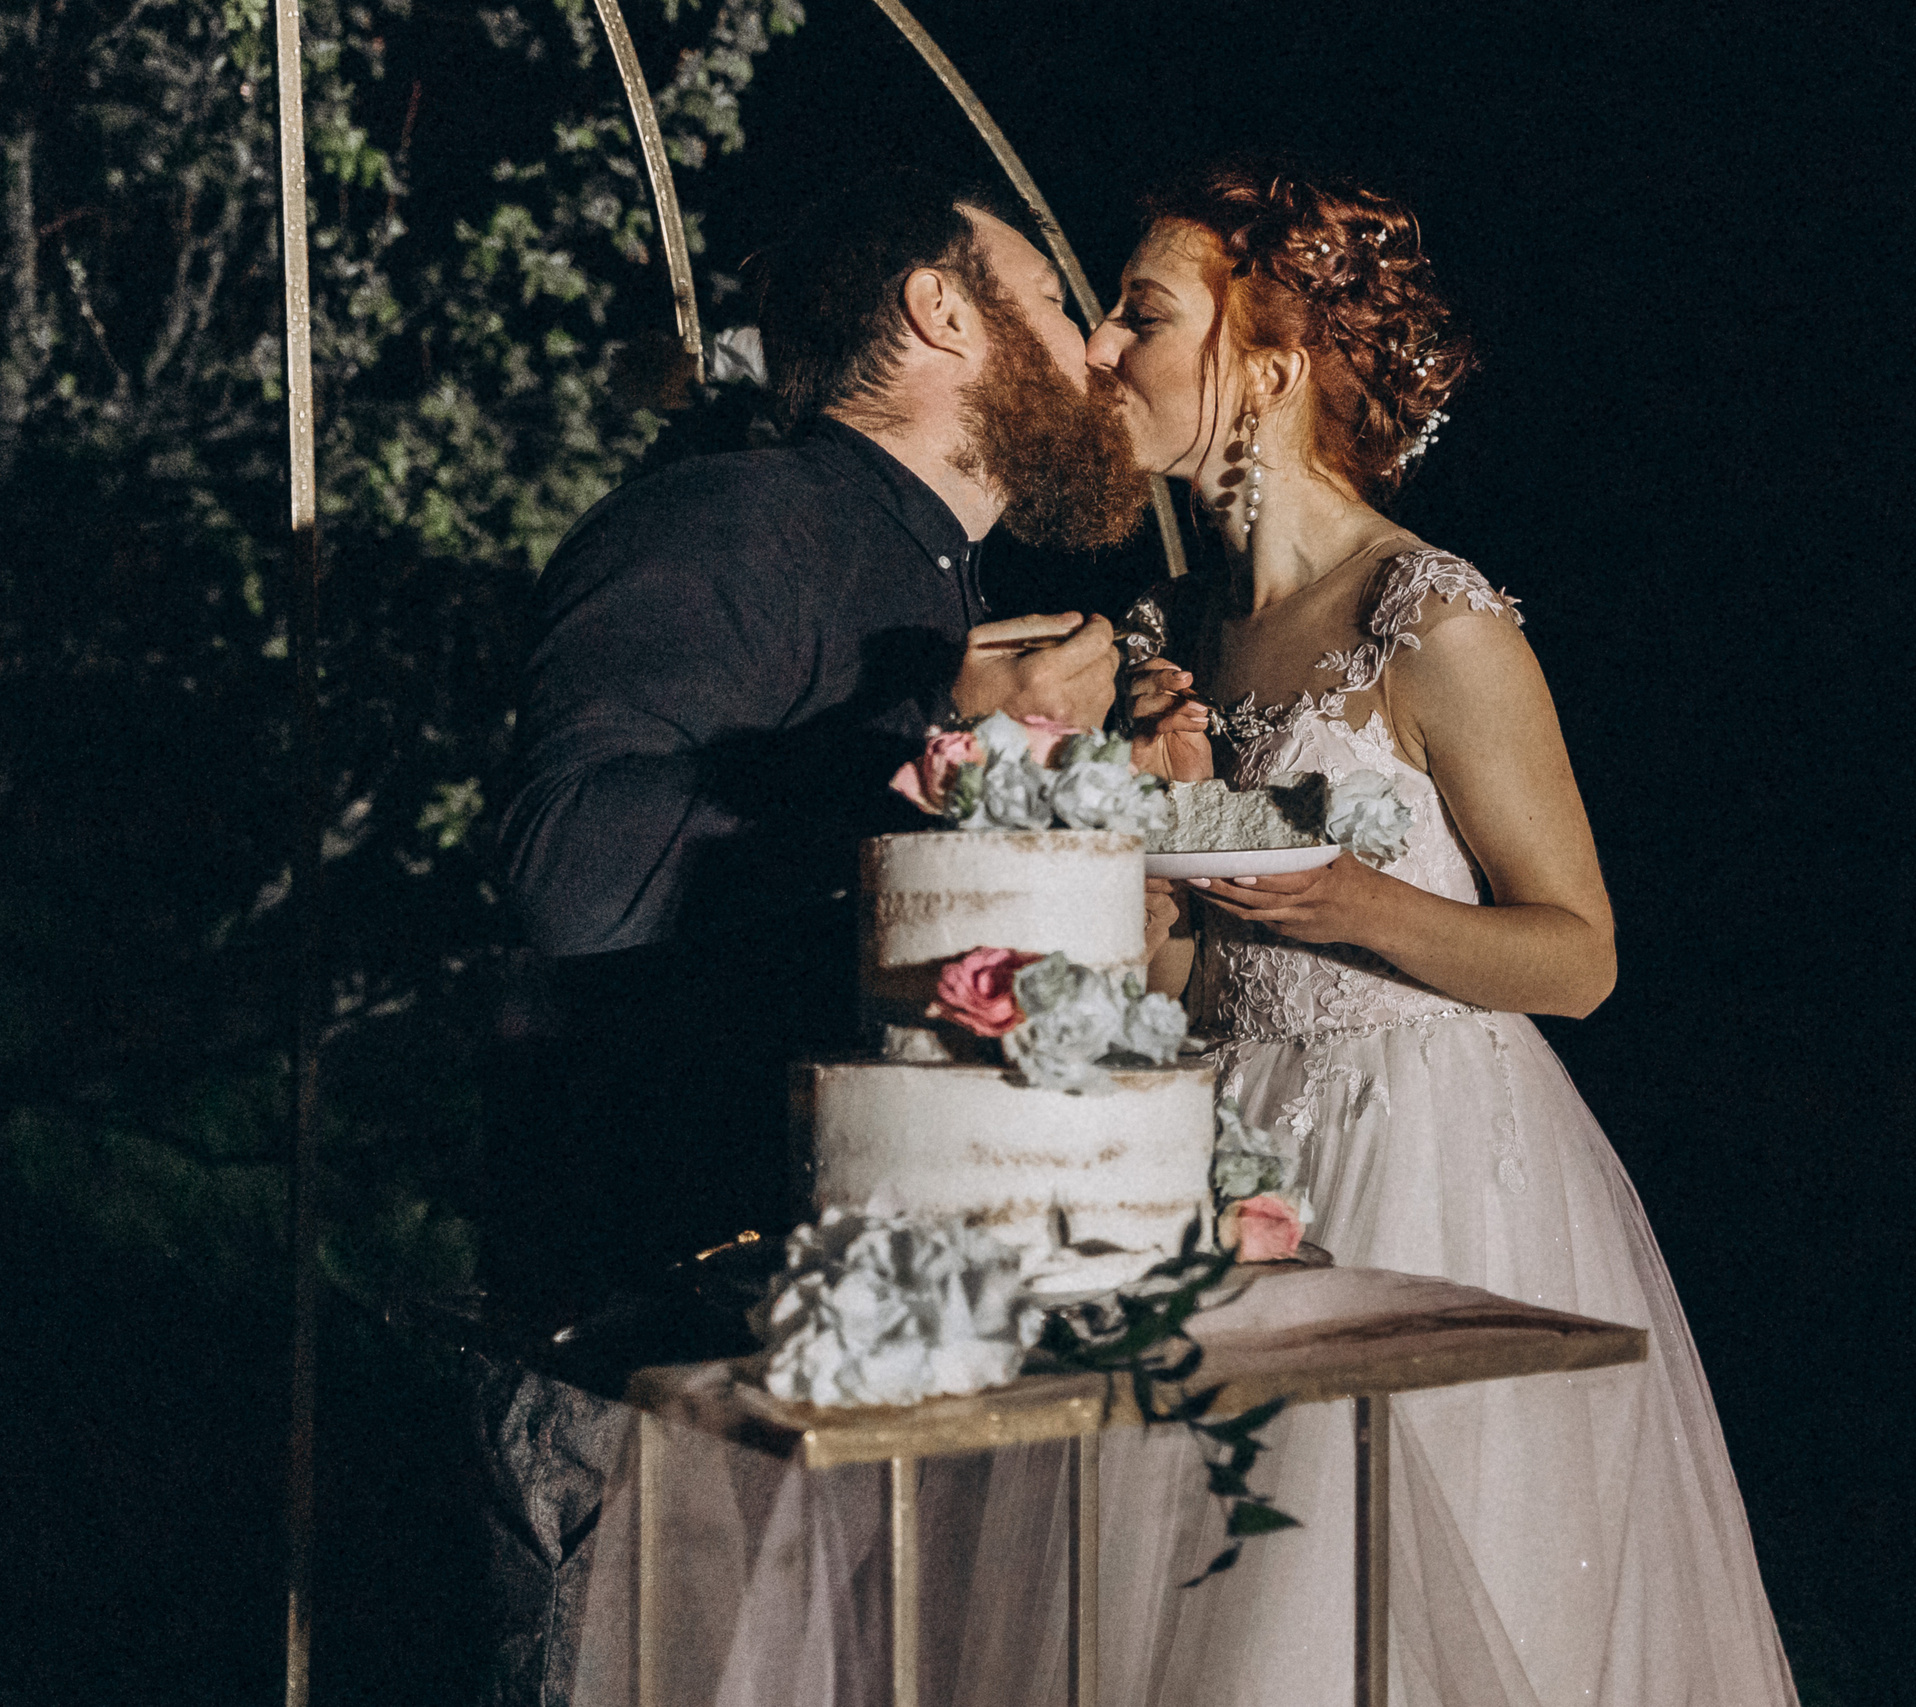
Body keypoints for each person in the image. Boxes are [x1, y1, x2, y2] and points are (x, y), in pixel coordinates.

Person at [1097, 167, 1801, 1706]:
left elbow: (1579, 956)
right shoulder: (1171, 632)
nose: (1100, 347)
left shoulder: (1428, 613)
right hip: (1230, 1172)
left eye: (1141, 314)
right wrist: (1146, 895)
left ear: (1268, 363)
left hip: (1432, 1169)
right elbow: (1194, 982)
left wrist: (1356, 902)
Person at [473, 170, 1151, 1707]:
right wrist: (933, 738)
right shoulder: (733, 516)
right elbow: (570, 868)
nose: (1101, 348)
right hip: (664, 1352)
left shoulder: (946, 587)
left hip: (899, 1327)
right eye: (1054, 301)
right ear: (941, 310)